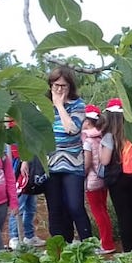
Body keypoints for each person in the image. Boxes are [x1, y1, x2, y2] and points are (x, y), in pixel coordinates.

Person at [43, 66, 92, 243]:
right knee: (55, 209)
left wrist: (59, 106)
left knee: (75, 206)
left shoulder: (78, 105)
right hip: (50, 163)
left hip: (72, 164)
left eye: (63, 85)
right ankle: (61, 249)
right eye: (55, 85)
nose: (59, 89)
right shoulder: (43, 105)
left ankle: (88, 244)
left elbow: (71, 129)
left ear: (70, 86)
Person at [99, 98, 132, 254]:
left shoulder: (109, 136)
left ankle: (129, 250)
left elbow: (105, 160)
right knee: (130, 212)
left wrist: (100, 150)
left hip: (116, 180)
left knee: (123, 214)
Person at [81, 107, 116, 253]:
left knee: (98, 212)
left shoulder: (87, 140)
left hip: (92, 181)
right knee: (103, 210)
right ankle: (106, 240)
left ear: (88, 122)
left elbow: (87, 163)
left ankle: (107, 244)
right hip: (102, 179)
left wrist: (81, 174)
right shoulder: (102, 136)